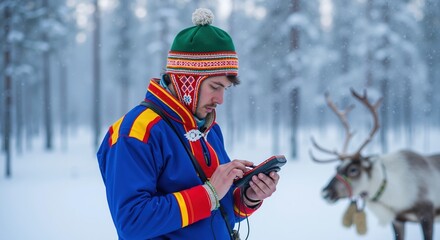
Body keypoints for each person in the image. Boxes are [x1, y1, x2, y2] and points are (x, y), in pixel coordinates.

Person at [97, 8, 280, 240]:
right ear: (188, 82)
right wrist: (210, 193)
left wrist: (248, 197)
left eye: (225, 88)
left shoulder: (208, 129)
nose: (220, 99)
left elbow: (217, 214)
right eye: (215, 87)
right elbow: (132, 222)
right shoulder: (136, 133)